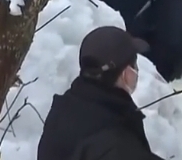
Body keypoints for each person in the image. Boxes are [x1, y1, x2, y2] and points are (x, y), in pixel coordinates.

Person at [37, 26, 163, 160]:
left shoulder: (65, 109)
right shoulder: (115, 143)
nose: (137, 70)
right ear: (126, 73)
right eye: (134, 64)